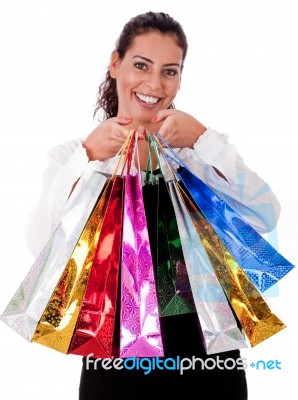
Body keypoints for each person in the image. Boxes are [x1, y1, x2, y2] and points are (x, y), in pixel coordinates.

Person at [25, 11, 281, 400]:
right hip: (114, 362)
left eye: (170, 71)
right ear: (115, 65)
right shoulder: (73, 157)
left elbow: (266, 214)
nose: (154, 83)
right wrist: (89, 157)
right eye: (141, 65)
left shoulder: (196, 155)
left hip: (209, 359)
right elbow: (41, 246)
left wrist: (202, 139)